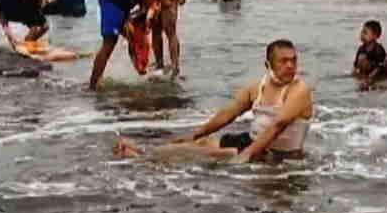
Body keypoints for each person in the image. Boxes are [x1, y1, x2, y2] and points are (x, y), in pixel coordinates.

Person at [112, 40, 313, 163]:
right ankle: (146, 150)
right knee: (200, 142)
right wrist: (194, 134)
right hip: (251, 140)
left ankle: (142, 157)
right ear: (268, 64)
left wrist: (247, 155)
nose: (290, 66)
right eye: (283, 61)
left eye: (293, 60)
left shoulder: (299, 89)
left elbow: (278, 125)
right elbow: (228, 114)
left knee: (206, 153)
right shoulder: (257, 87)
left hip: (275, 153)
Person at [352, 21, 387, 90]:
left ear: (375, 36)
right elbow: (356, 64)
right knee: (361, 58)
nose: (362, 35)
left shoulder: (378, 49)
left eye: (365, 33)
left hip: (379, 71)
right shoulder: (361, 48)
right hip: (370, 70)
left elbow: (380, 66)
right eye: (361, 32)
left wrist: (370, 77)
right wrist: (354, 73)